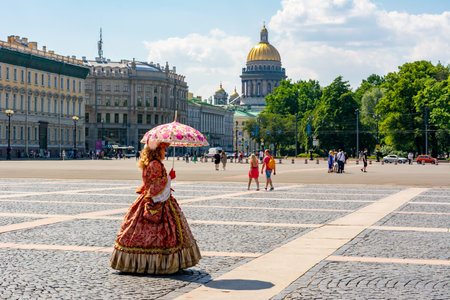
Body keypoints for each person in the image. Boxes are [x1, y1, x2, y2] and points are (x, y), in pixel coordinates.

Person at [110, 142, 201, 274]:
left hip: (147, 199)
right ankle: (160, 263)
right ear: (157, 151)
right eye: (163, 150)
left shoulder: (151, 163)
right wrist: (170, 177)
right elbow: (157, 187)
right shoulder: (155, 164)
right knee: (162, 233)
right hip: (157, 202)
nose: (165, 152)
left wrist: (167, 178)